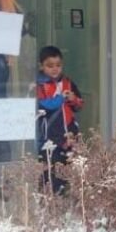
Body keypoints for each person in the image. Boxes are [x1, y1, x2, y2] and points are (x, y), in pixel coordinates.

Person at [35, 46, 84, 193]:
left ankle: (64, 195)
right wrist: (60, 98)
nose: (55, 69)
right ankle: (49, 196)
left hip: (69, 132)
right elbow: (44, 105)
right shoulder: (39, 85)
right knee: (50, 168)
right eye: (50, 66)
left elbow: (79, 105)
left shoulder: (68, 82)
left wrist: (73, 99)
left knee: (68, 167)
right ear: (41, 66)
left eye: (58, 65)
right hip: (50, 134)